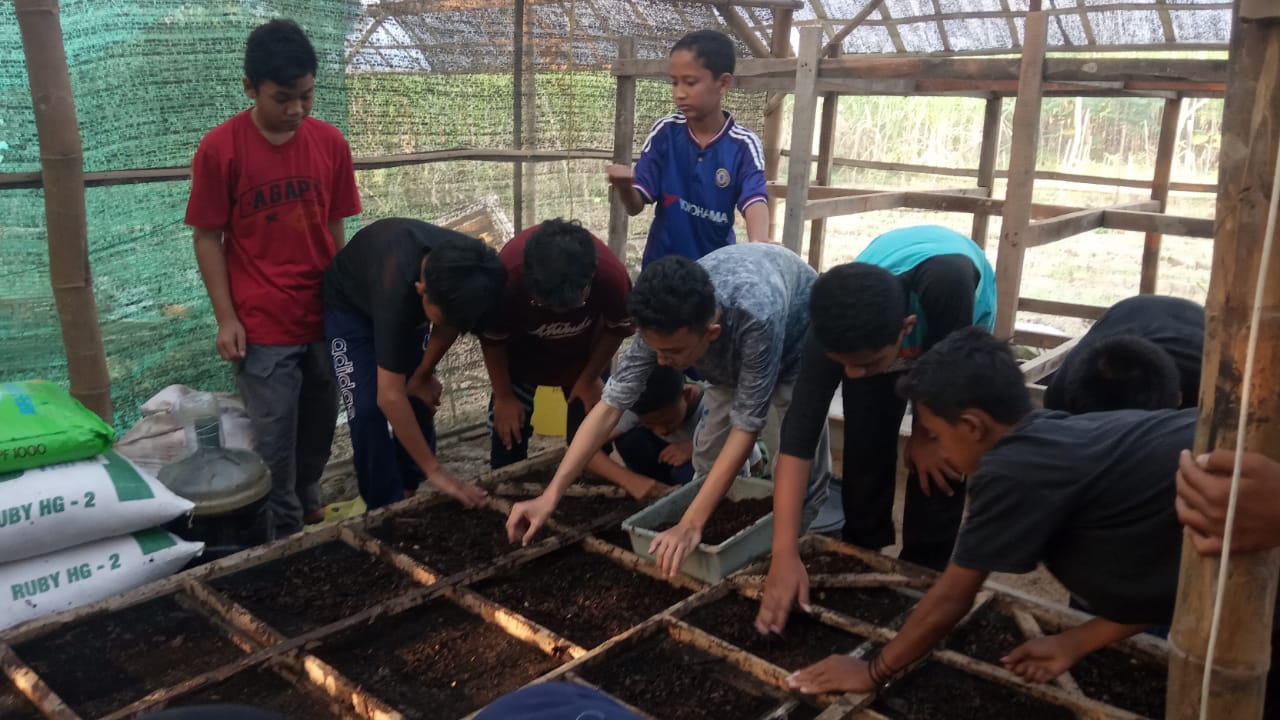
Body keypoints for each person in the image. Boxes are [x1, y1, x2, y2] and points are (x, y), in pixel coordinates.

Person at [780, 327, 1194, 695]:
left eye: (936, 435)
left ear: (972, 426)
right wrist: (1073, 642)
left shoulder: (1011, 471)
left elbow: (952, 597)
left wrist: (873, 671)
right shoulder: (1054, 433)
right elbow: (1168, 582)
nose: (938, 450)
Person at [506, 244, 831, 579]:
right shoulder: (663, 321)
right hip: (726, 353)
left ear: (711, 333)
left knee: (795, 465)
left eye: (672, 352)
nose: (661, 361)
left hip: (795, 345)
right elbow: (608, 408)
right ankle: (719, 549)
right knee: (708, 457)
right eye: (656, 349)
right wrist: (550, 495)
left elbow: (746, 429)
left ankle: (791, 556)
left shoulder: (757, 317)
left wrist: (689, 525)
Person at [185, 19, 361, 537]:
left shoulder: (330, 143)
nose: (297, 110)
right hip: (262, 324)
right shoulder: (221, 149)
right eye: (283, 98)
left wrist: (346, 302)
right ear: (250, 87)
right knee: (275, 435)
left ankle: (307, 496)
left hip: (322, 314)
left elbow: (335, 226)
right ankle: (283, 537)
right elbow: (207, 238)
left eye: (306, 96)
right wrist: (226, 318)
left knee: (321, 421)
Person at [759, 224, 996, 606]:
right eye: (844, 365)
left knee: (943, 460)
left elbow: (947, 382)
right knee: (865, 446)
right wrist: (783, 553)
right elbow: (798, 435)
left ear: (906, 329)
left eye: (866, 363)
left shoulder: (947, 284)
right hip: (880, 328)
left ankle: (923, 572)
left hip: (954, 329)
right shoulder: (830, 332)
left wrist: (925, 435)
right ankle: (862, 551)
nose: (852, 375)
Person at [322, 219, 504, 510]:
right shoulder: (396, 286)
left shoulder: (475, 269)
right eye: (438, 316)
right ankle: (384, 506)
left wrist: (423, 374)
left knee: (418, 394)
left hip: (405, 303)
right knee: (367, 410)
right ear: (421, 290)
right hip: (350, 310)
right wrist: (437, 472)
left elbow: (451, 321)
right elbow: (389, 396)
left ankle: (409, 485)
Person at [480, 219, 634, 472]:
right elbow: (492, 339)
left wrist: (589, 378)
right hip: (520, 359)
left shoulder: (611, 276)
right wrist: (504, 396)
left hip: (585, 357)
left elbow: (617, 328)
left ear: (591, 276)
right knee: (508, 435)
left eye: (572, 304)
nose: (558, 313)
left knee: (592, 434)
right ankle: (508, 475)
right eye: (546, 305)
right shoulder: (506, 276)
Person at [606, 29, 769, 267]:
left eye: (690, 83)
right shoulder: (665, 133)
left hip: (714, 273)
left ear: (723, 83)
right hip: (662, 270)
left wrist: (759, 245)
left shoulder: (743, 145)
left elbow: (754, 199)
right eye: (675, 82)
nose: (679, 93)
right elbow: (634, 206)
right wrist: (624, 187)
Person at [1043, 295, 1204, 413]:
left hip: (1190, 318)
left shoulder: (1205, 390)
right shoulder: (1061, 395)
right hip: (1129, 311)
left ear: (1178, 399)